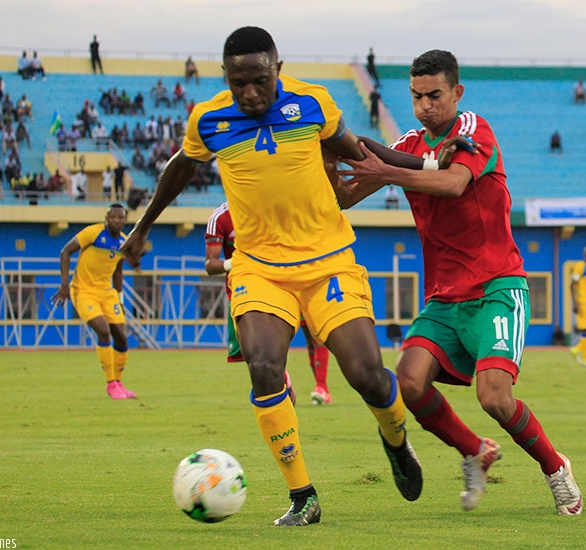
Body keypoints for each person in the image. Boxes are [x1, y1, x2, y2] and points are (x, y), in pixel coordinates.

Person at [120, 26, 442, 527]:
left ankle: (397, 441)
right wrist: (141, 229)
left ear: (277, 68)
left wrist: (423, 164)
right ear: (226, 77)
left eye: (259, 80)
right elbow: (181, 167)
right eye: (237, 82)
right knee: (264, 367)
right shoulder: (208, 120)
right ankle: (303, 496)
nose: (249, 92)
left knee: (367, 376)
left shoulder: (312, 103)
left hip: (328, 259)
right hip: (259, 266)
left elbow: (358, 148)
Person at [336, 48, 583, 516]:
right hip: (444, 299)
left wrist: (386, 171)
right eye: (416, 96)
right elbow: (348, 196)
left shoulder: (474, 130)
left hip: (496, 288)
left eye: (434, 95)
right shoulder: (409, 145)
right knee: (407, 384)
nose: (425, 105)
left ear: (456, 92)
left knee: (494, 397)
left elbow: (453, 183)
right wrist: (327, 168)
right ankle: (475, 451)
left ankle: (555, 469)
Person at [204, 202, 333, 405]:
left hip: (289, 283)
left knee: (314, 335)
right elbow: (210, 265)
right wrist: (235, 263)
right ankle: (281, 379)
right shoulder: (220, 216)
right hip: (243, 291)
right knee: (253, 352)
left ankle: (321, 387)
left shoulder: (274, 204)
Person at [52, 204, 135, 399]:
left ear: (124, 220)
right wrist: (65, 284)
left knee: (121, 336)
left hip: (107, 293)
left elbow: (118, 272)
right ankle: (110, 384)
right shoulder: (93, 232)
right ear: (107, 218)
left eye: (120, 217)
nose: (116, 220)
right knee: (103, 331)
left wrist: (120, 299)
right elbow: (65, 252)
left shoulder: (124, 242)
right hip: (84, 291)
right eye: (113, 217)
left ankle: (119, 382)